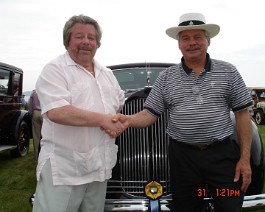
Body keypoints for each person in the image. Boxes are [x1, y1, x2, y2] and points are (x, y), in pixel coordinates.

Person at [109, 13, 253, 212]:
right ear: (179, 44)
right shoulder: (166, 78)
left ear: (208, 40)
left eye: (197, 37)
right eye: (185, 38)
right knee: (185, 207)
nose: (191, 43)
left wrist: (244, 159)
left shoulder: (228, 71)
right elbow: (149, 114)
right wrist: (127, 119)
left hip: (221, 155)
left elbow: (242, 115)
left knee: (230, 205)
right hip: (183, 158)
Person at [32, 14, 125, 212]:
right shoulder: (55, 70)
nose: (86, 42)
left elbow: (118, 105)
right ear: (67, 41)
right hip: (64, 167)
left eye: (91, 37)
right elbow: (57, 112)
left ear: (98, 43)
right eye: (79, 36)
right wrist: (105, 120)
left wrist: (116, 124)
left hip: (100, 165)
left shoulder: (107, 74)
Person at [28, 89, 43, 160]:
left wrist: (31, 114)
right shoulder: (46, 91)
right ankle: (44, 155)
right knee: (45, 135)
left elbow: (30, 105)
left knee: (36, 135)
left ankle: (37, 156)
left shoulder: (33, 92)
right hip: (44, 113)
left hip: (35, 113)